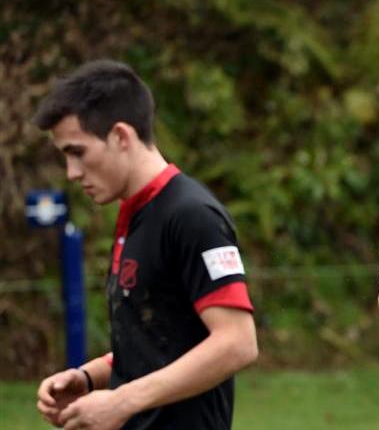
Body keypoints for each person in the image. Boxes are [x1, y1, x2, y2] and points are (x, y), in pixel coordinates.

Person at [33, 60, 258, 430]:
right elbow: (161, 342)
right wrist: (87, 378)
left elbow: (237, 342)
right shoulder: (135, 214)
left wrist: (121, 401)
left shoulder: (191, 215)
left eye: (78, 153)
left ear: (121, 136)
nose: (72, 173)